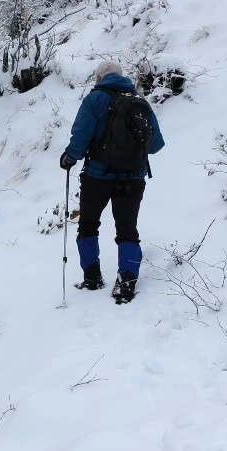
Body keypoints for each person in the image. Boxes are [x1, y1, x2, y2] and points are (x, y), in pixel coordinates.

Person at [59, 61, 165, 303]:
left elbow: (81, 134)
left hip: (97, 176)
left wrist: (69, 157)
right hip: (133, 178)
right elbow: (156, 144)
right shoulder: (140, 101)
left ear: (98, 78)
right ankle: (126, 284)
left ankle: (92, 278)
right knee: (127, 229)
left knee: (88, 225)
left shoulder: (94, 99)